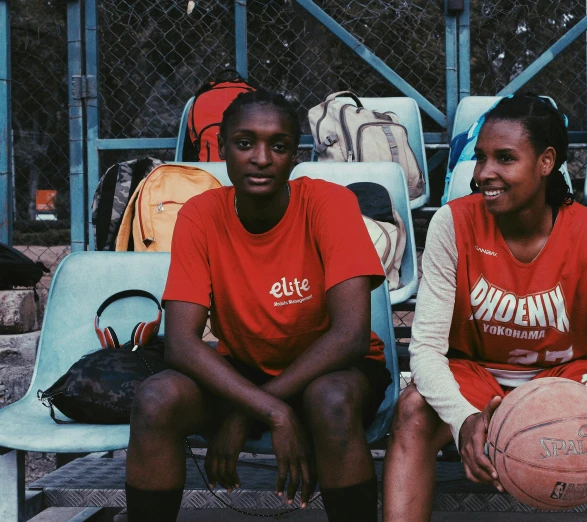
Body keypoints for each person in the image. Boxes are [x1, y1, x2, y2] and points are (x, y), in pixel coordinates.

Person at [382, 95, 587, 522]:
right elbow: (425, 348)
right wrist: (463, 419)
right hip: (477, 372)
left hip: (566, 377)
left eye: (505, 158)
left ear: (546, 162)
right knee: (411, 411)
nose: (485, 173)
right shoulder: (454, 223)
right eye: (481, 158)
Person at [125, 89, 391, 522]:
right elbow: (180, 344)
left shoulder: (330, 204)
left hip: (331, 369)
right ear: (224, 149)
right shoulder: (200, 214)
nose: (261, 157)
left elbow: (350, 336)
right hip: (244, 370)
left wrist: (242, 412)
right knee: (155, 399)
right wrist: (269, 411)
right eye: (245, 143)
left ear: (294, 156)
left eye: (278, 145)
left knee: (331, 400)